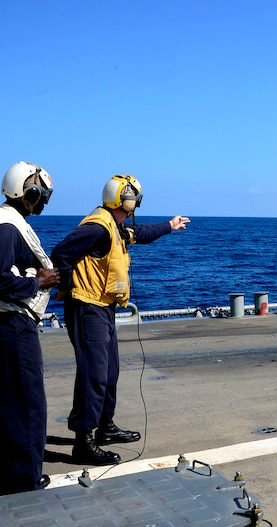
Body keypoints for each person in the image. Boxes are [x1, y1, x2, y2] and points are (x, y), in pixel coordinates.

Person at [51, 174, 190, 466]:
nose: (135, 202)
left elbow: (140, 234)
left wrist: (169, 226)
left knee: (109, 371)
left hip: (102, 306)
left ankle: (105, 427)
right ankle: (83, 441)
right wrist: (67, 287)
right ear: (121, 198)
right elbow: (61, 253)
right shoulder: (97, 228)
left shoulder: (115, 226)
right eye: (132, 197)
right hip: (87, 307)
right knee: (94, 375)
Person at [0, 161, 59, 494]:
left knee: (10, 403)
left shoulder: (7, 221)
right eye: (39, 193)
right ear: (26, 190)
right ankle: (25, 481)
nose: (42, 201)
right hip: (14, 326)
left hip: (9, 325)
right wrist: (38, 281)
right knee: (27, 403)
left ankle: (14, 474)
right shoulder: (8, 226)